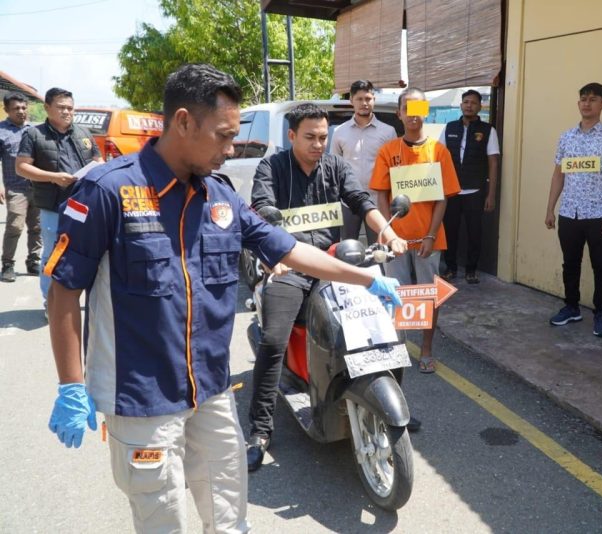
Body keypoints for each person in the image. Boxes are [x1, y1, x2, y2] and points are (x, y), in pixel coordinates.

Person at [43, 64, 402, 533]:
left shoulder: (221, 197)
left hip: (211, 390)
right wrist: (71, 384)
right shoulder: (108, 190)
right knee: (162, 517)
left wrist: (363, 278)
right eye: (224, 136)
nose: (232, 149)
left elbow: (289, 248)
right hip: (142, 399)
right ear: (184, 122)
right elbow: (65, 290)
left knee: (230, 513)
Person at [246, 102, 408, 472]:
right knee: (273, 339)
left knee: (377, 327)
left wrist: (389, 232)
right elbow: (261, 209)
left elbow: (362, 201)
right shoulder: (271, 167)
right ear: (291, 136)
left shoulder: (335, 166)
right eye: (311, 137)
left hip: (337, 261)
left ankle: (387, 398)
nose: (319, 144)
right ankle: (259, 430)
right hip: (291, 265)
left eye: (324, 136)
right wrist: (276, 253)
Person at [370, 87, 461, 373]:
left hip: (428, 239)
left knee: (427, 296)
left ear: (426, 113)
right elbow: (381, 195)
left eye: (419, 109)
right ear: (399, 113)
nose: (413, 115)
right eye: (408, 109)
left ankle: (426, 349)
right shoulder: (388, 151)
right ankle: (395, 346)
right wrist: (389, 234)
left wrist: (432, 235)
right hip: (395, 240)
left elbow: (443, 197)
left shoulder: (439, 151)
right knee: (394, 294)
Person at [544, 82, 602, 337]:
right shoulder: (566, 137)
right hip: (570, 212)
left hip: (599, 214)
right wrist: (550, 209)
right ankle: (571, 307)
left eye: (592, 99)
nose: (586, 103)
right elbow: (558, 175)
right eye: (582, 99)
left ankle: (601, 314)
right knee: (570, 263)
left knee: (601, 265)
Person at [15, 87, 100, 316]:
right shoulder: (34, 135)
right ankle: (49, 302)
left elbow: (98, 160)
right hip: (54, 205)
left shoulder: (83, 133)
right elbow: (21, 167)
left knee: (86, 252)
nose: (66, 112)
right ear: (47, 108)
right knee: (53, 254)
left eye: (70, 108)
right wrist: (54, 178)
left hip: (84, 205)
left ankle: (79, 300)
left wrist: (98, 168)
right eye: (61, 107)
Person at [439, 89, 500, 284]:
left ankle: (471, 269)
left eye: (473, 103)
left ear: (480, 107)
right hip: (451, 190)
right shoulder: (449, 128)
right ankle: (450, 267)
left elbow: (493, 163)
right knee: (450, 230)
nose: (469, 105)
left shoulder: (489, 130)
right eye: (466, 102)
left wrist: (491, 194)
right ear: (461, 105)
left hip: (475, 190)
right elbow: (438, 158)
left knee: (475, 232)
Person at [330, 79, 397, 242]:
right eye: (359, 99)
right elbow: (333, 167)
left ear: (374, 99)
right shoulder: (339, 132)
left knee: (379, 249)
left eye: (368, 98)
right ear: (351, 100)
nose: (364, 103)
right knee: (347, 248)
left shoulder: (388, 132)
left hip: (378, 202)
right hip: (348, 201)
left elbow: (395, 168)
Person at [0, 92, 40, 282]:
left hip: (38, 188)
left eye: (24, 108)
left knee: (37, 227)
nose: (21, 111)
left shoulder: (35, 130)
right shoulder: (1, 131)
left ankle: (33, 261)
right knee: (15, 226)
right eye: (16, 108)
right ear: (6, 110)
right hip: (15, 188)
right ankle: (7, 265)